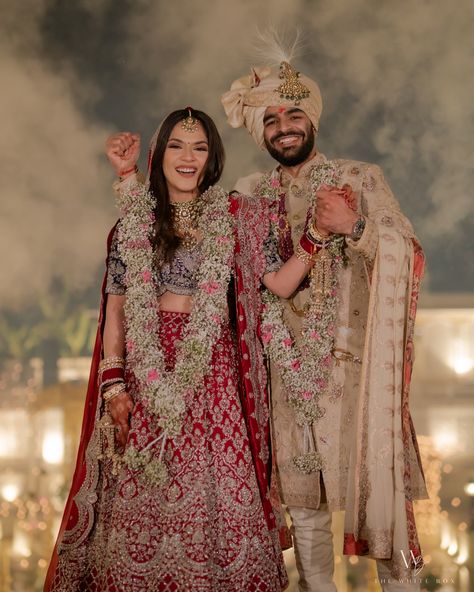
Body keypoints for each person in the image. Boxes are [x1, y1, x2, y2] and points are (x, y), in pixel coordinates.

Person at [44, 107, 325, 591]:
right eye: (177, 145)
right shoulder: (133, 224)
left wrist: (318, 233)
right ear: (160, 155)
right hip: (146, 374)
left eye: (200, 147)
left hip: (215, 376)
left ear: (213, 157)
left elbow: (279, 284)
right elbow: (116, 311)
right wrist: (113, 386)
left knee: (217, 501)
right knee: (142, 503)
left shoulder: (237, 219)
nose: (188, 157)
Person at [222, 55, 428, 592]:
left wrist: (354, 224)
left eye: (293, 115)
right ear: (259, 132)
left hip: (356, 382)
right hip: (284, 381)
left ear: (312, 119)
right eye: (269, 119)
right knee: (306, 521)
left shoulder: (359, 178)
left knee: (383, 507)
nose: (283, 127)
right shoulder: (250, 194)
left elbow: (407, 252)